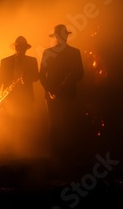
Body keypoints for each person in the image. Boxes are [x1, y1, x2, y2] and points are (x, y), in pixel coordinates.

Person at [39, 24, 84, 166]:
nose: (60, 37)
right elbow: (41, 74)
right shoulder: (47, 52)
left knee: (68, 124)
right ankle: (55, 156)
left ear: (66, 36)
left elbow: (80, 73)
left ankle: (67, 156)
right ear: (55, 37)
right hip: (52, 94)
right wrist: (49, 90)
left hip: (68, 94)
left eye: (62, 35)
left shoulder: (75, 52)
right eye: (58, 35)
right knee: (54, 125)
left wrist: (66, 85)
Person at [0, 36, 40, 156]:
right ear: (15, 47)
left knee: (25, 124)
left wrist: (27, 78)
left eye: (23, 47)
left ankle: (25, 151)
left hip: (25, 98)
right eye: (18, 46)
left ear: (26, 48)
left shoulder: (32, 60)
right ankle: (11, 151)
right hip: (9, 99)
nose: (20, 49)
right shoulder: (5, 61)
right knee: (9, 124)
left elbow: (37, 76)